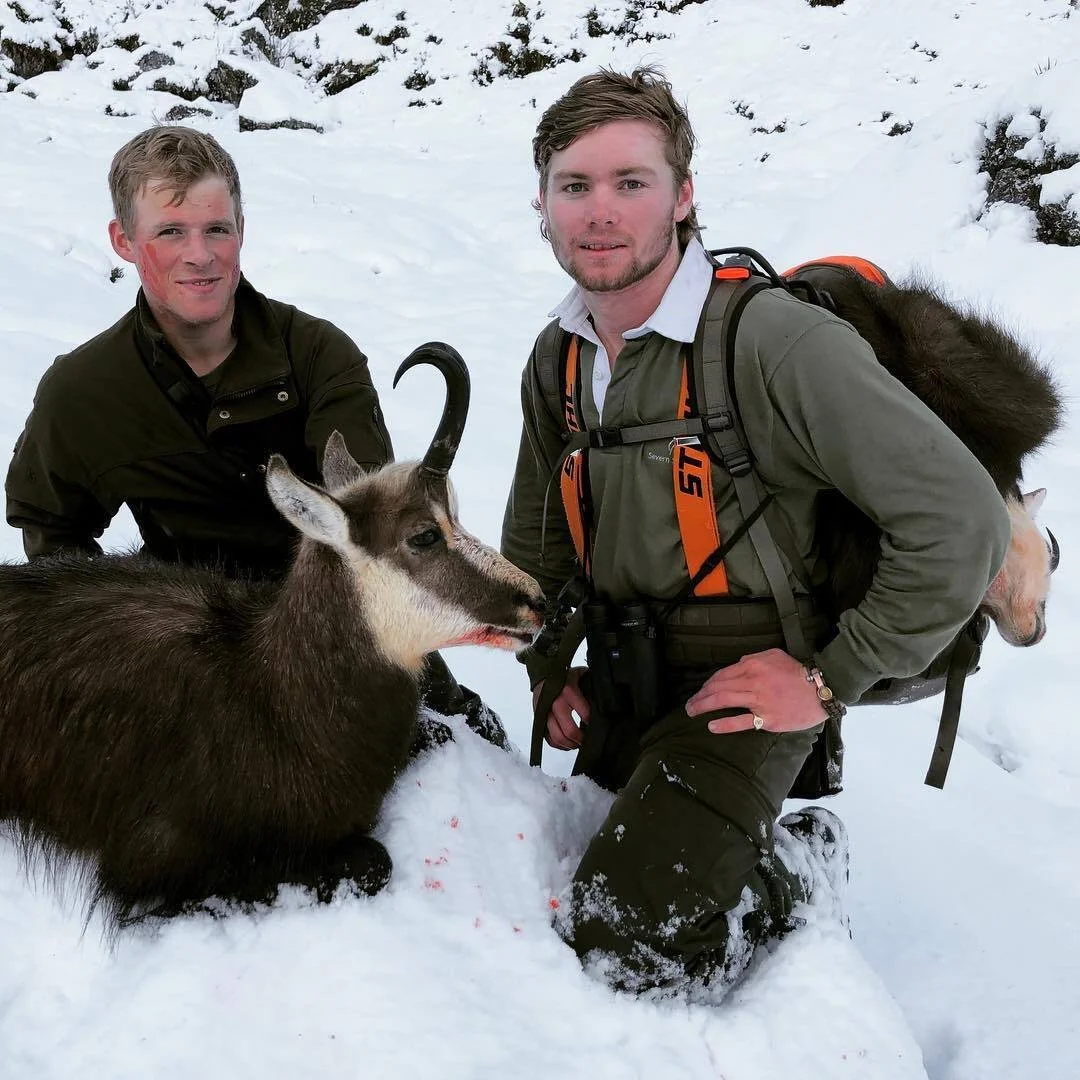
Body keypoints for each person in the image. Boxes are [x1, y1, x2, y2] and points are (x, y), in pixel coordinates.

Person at [501, 67, 1010, 992]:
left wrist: (827, 679)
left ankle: (799, 866)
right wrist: (546, 667)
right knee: (528, 885)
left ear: (683, 196)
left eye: (630, 182)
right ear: (543, 205)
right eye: (574, 185)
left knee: (630, 940)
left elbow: (960, 521)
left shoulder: (771, 341)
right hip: (625, 671)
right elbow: (537, 541)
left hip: (752, 693)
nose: (600, 212)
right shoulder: (558, 356)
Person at [5, 124, 501, 748]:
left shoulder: (318, 353)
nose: (201, 255)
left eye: (217, 228)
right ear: (123, 241)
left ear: (242, 228)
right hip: (196, 664)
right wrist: (123, 642)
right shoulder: (83, 391)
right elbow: (52, 533)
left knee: (468, 762)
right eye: (170, 232)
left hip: (351, 642)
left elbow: (373, 519)